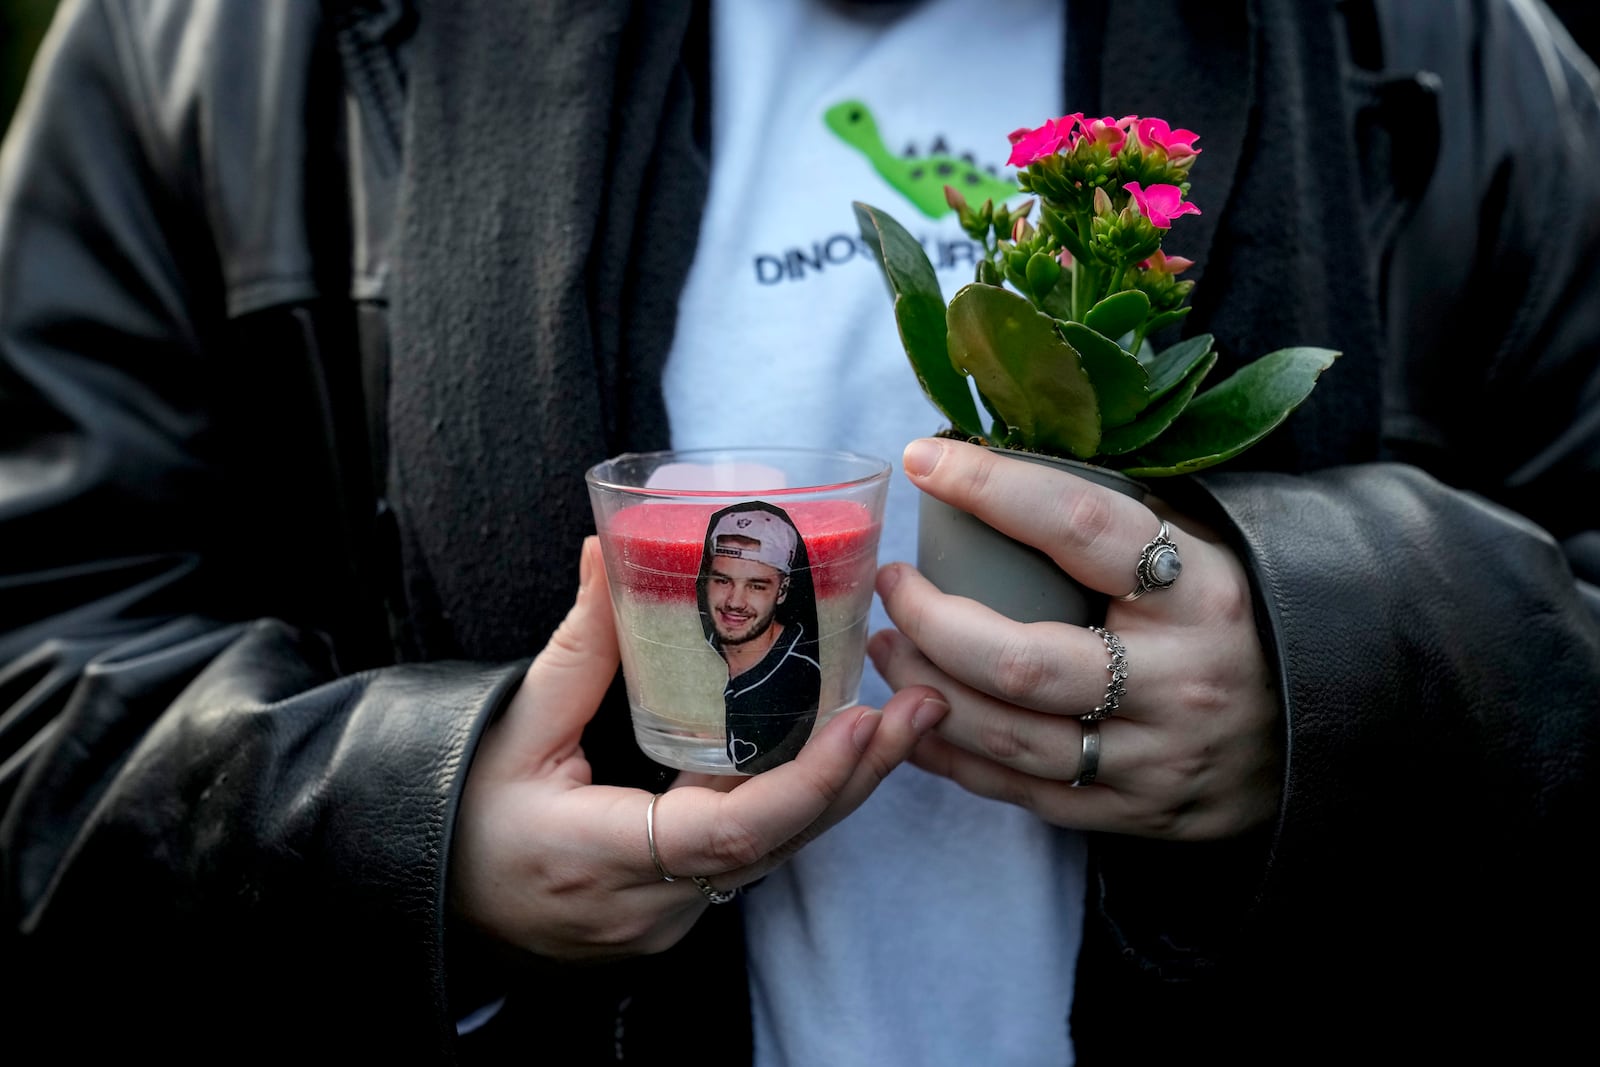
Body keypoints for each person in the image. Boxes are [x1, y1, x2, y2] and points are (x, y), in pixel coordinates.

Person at [0, 1, 1595, 1065]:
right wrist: (417, 829)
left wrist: (1348, 677)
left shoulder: (1446, 42)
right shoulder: (211, 45)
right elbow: (42, 662)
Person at [697, 503, 823, 774]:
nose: (735, 602)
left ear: (782, 590)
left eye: (756, 586)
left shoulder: (804, 674)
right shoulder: (692, 645)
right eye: (722, 581)